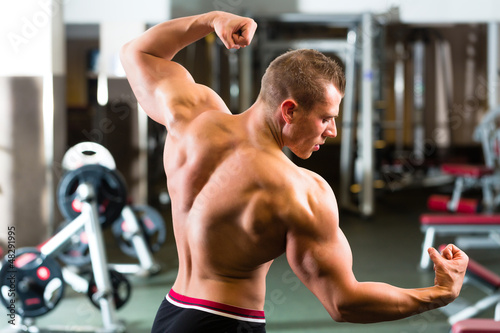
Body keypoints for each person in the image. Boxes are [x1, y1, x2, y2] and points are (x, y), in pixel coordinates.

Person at [120, 10, 469, 333]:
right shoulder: (301, 191)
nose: (331, 131)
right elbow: (343, 302)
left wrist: (212, 19)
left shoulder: (192, 119)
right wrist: (439, 293)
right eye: (326, 118)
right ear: (289, 110)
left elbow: (139, 54)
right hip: (227, 322)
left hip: (170, 313)